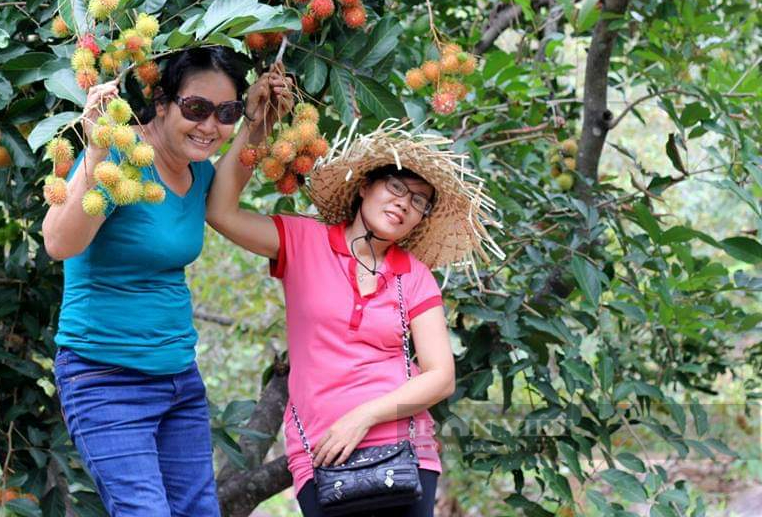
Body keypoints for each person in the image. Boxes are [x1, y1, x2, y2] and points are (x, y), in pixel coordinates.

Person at [42, 46, 289, 517]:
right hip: (105, 378)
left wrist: (258, 121)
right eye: (195, 108)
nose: (209, 125)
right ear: (161, 102)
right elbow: (58, 243)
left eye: (226, 112)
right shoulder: (119, 153)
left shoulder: (197, 172)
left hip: (178, 377)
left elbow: (225, 201)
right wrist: (95, 150)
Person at [207, 122, 500, 516]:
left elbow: (440, 376)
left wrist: (363, 417)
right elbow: (220, 212)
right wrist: (258, 125)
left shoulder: (415, 276)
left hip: (404, 451)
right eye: (396, 187)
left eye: (418, 201)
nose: (404, 203)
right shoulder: (302, 240)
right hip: (322, 451)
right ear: (365, 186)